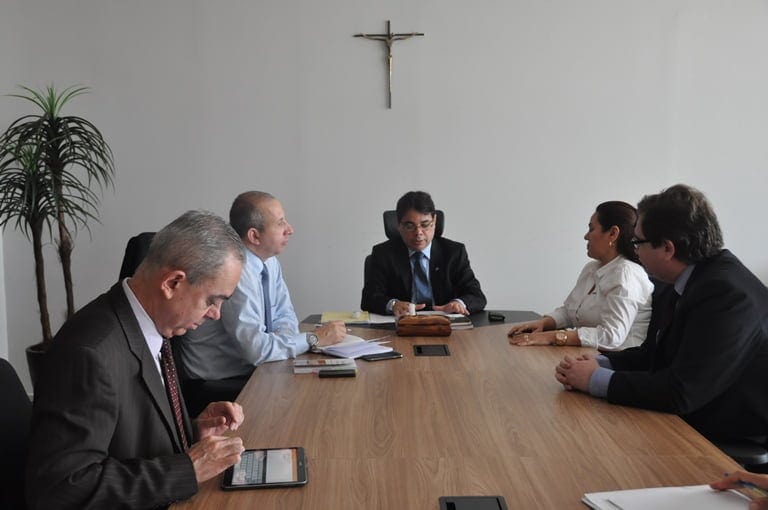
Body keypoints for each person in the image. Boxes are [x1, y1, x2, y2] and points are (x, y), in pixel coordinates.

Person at [26, 211, 247, 509]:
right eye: (212, 300)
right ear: (172, 283)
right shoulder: (90, 353)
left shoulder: (151, 326)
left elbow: (124, 439)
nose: (216, 314)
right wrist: (188, 469)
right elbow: (63, 488)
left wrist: (192, 431)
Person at [555, 184, 768, 444]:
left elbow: (681, 392)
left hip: (725, 430)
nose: (633, 250)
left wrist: (595, 380)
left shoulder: (726, 295)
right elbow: (655, 355)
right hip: (690, 414)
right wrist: (600, 363)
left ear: (667, 249)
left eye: (637, 242)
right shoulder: (687, 279)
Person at [180, 192, 345, 402]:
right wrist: (313, 338)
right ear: (254, 236)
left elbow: (285, 316)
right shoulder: (234, 270)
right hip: (217, 382)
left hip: (256, 368)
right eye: (280, 223)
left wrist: (279, 342)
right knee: (311, 397)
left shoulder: (269, 262)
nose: (290, 229)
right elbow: (256, 351)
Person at [509, 201, 653, 350]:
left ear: (612, 233)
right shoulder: (591, 268)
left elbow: (611, 336)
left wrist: (551, 336)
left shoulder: (626, 274)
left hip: (616, 360)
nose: (586, 236)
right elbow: (569, 312)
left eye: (591, 229)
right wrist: (543, 324)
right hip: (587, 355)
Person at [361, 190, 487, 317]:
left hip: (444, 323)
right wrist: (393, 304)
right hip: (402, 324)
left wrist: (458, 303)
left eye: (425, 225)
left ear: (434, 221)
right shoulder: (383, 254)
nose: (418, 233)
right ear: (398, 225)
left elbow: (477, 296)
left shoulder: (454, 253)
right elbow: (369, 299)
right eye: (410, 226)